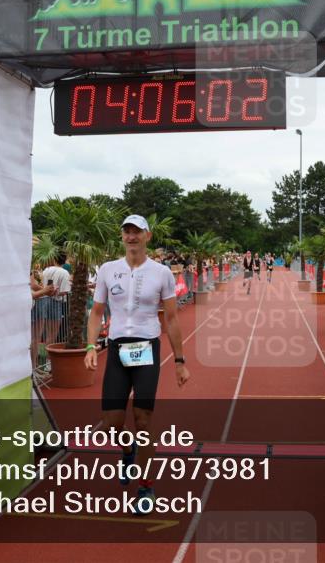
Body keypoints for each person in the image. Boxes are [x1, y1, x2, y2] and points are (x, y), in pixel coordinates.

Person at [84, 215, 190, 513]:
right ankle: (128, 449)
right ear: (123, 237)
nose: (131, 237)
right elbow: (96, 313)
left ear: (148, 236)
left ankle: (145, 487)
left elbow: (170, 318)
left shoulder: (161, 273)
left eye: (137, 232)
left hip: (146, 348)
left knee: (143, 420)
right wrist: (91, 345)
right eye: (127, 232)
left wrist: (180, 361)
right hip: (117, 348)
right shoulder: (108, 270)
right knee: (112, 422)